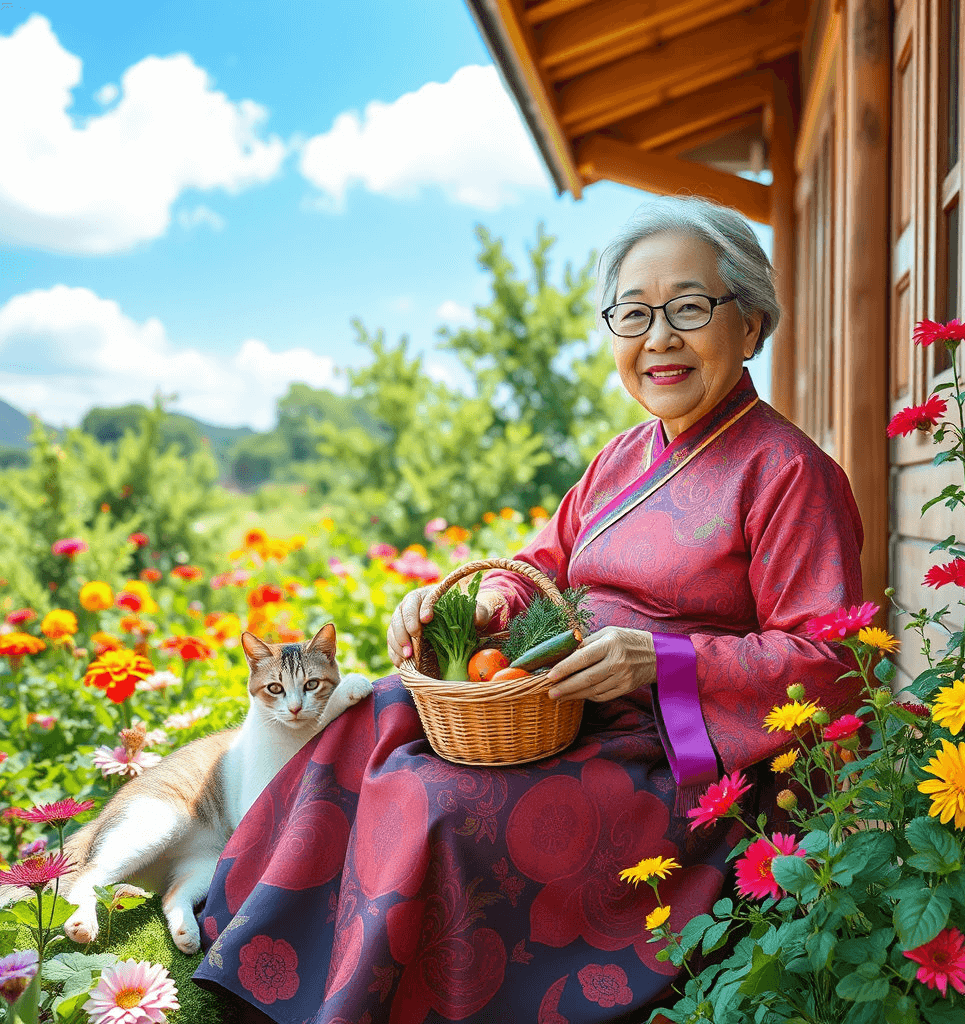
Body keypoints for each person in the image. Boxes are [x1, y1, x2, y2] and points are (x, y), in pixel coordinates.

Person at [193, 197, 864, 1024]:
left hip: (673, 760)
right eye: (634, 313)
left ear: (753, 324)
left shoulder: (791, 472)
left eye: (689, 308)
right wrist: (463, 605)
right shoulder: (618, 459)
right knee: (368, 719)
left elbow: (833, 666)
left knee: (444, 808)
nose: (658, 338)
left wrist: (663, 663)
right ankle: (270, 960)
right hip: (554, 704)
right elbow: (537, 570)